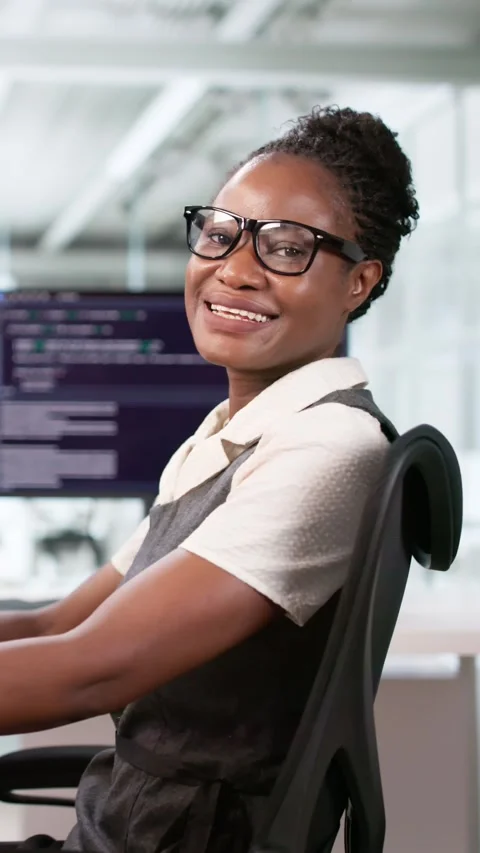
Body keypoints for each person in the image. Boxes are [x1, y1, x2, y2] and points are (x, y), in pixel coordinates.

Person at [0, 105, 419, 852]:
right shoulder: (226, 435)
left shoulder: (328, 446)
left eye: (287, 247)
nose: (235, 268)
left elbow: (94, 669)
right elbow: (56, 625)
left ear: (360, 280)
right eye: (221, 233)